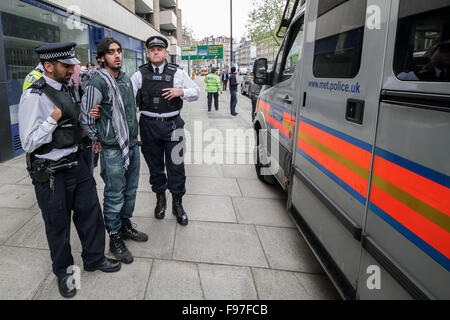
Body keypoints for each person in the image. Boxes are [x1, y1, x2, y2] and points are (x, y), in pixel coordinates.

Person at [18, 42, 121, 299]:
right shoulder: (34, 96)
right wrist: (52, 119)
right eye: (66, 65)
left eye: (72, 64)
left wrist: (89, 122)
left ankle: (94, 258)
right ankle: (63, 272)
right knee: (57, 225)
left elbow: (74, 124)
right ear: (48, 66)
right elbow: (28, 143)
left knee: (91, 214)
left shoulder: (70, 87)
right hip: (51, 172)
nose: (72, 69)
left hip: (77, 162)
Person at [80, 37, 147, 265]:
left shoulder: (126, 79)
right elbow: (86, 117)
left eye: (119, 51)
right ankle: (114, 236)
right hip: (112, 149)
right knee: (114, 193)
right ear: (102, 58)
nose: (117, 55)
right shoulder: (98, 82)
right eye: (111, 52)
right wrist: (96, 138)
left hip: (132, 145)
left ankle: (125, 225)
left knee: (130, 190)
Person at [131, 36, 200, 226]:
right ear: (147, 52)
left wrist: (182, 92)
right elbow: (126, 97)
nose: (155, 51)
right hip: (148, 126)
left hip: (173, 125)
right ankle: (160, 199)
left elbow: (196, 92)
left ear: (165, 52)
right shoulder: (139, 75)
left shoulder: (177, 73)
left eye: (159, 48)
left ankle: (177, 204)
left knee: (176, 166)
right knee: (155, 167)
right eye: (152, 48)